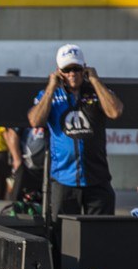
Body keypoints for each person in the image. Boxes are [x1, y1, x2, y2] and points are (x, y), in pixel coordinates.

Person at [27, 44, 123, 221]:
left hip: (97, 178)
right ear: (59, 71)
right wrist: (51, 87)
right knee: (62, 234)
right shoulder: (50, 95)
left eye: (77, 69)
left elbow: (115, 112)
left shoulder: (98, 92)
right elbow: (35, 121)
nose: (72, 74)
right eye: (67, 69)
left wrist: (95, 80)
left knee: (101, 232)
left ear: (84, 68)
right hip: (64, 179)